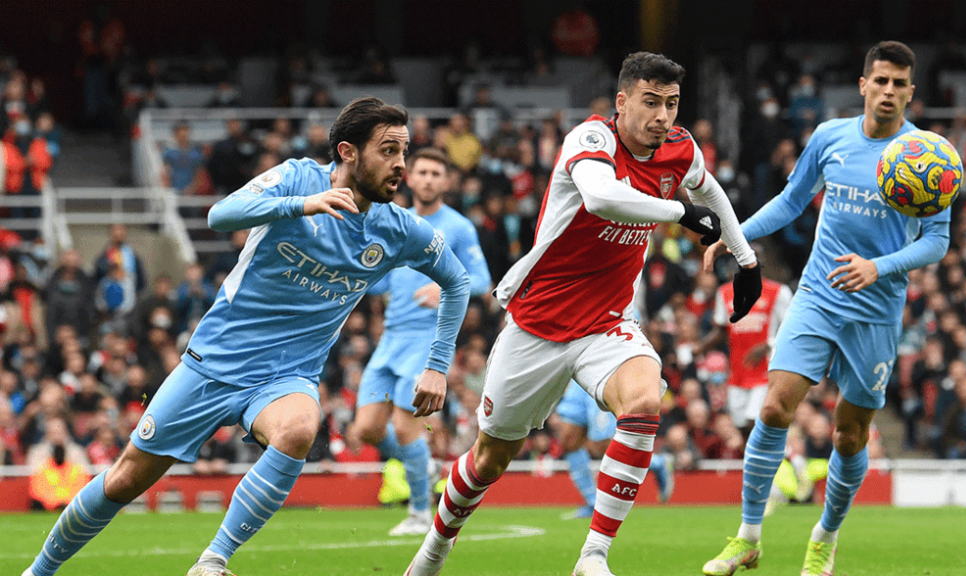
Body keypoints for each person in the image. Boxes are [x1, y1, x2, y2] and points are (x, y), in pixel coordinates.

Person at [22, 97, 471, 576]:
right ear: (348, 152)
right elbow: (221, 213)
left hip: (286, 377)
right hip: (213, 364)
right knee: (125, 478)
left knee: (300, 427)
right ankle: (40, 571)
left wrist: (438, 365)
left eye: (405, 152)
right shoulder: (298, 178)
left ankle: (212, 561)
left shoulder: (398, 229)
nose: (401, 165)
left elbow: (458, 281)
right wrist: (300, 206)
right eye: (389, 151)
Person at [405, 51, 761, 576]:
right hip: (538, 325)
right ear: (622, 103)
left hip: (607, 324)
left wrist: (746, 258)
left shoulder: (679, 149)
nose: (663, 116)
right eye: (651, 102)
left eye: (672, 104)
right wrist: (680, 212)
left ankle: (592, 557)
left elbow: (709, 190)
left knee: (644, 401)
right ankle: (432, 553)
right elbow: (602, 198)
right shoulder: (591, 139)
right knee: (488, 461)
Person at [701, 41, 950, 576]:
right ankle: (747, 537)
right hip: (818, 294)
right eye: (879, 81)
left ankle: (824, 536)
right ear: (863, 85)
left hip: (877, 311)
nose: (888, 92)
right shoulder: (830, 137)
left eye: (899, 84)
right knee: (773, 408)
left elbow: (937, 242)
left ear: (911, 91)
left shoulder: (930, 157)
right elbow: (792, 201)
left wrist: (878, 267)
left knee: (849, 434)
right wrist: (735, 234)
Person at [349, 146, 491, 537]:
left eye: (435, 174)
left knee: (406, 423)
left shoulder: (459, 227)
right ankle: (423, 464)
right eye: (422, 172)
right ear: (409, 178)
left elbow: (481, 281)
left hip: (426, 341)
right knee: (366, 430)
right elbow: (377, 274)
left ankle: (417, 512)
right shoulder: (396, 221)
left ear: (446, 181)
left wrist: (441, 287)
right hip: (390, 338)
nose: (428, 179)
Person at [699, 249, 793, 436]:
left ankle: (759, 461)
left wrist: (768, 344)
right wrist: (699, 347)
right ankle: (749, 461)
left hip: (766, 369)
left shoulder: (778, 292)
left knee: (754, 419)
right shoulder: (724, 292)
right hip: (737, 372)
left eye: (756, 258)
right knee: (739, 424)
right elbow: (720, 330)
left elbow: (792, 329)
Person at [554, 379, 675, 521]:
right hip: (576, 376)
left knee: (603, 445)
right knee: (568, 441)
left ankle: (656, 463)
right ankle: (593, 504)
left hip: (600, 373)